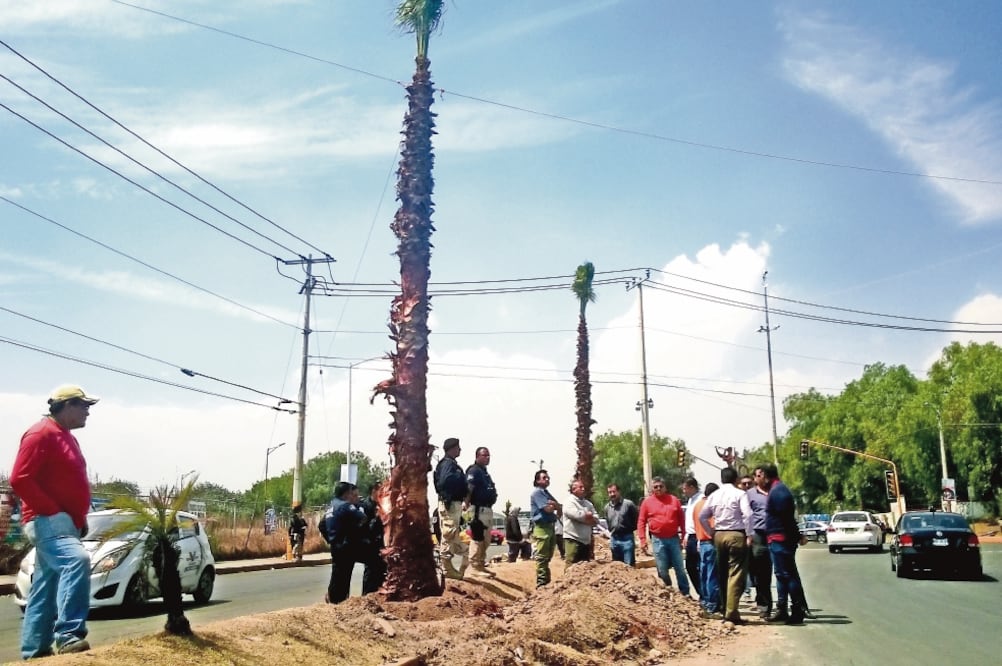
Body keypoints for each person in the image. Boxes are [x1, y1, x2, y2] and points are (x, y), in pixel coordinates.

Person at [11, 384, 99, 658]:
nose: (87, 411)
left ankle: (34, 651)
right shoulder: (41, 433)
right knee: (77, 561)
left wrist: (78, 517)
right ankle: (69, 635)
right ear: (66, 405)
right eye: (84, 405)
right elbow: (20, 478)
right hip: (48, 520)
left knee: (44, 589)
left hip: (65, 522)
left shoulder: (66, 436)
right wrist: (52, 511)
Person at [698, 467, 754, 625]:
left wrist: (711, 532)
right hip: (736, 534)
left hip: (719, 535)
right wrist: (749, 534)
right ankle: (731, 613)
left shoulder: (714, 495)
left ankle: (724, 609)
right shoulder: (740, 494)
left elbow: (703, 516)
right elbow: (748, 514)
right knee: (736, 574)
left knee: (721, 573)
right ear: (736, 479)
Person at [762, 464, 810, 625]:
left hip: (781, 540)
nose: (758, 480)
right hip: (776, 540)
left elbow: (787, 519)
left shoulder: (779, 492)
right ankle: (782, 609)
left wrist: (797, 536)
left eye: (760, 476)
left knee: (788, 575)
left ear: (767, 477)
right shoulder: (775, 491)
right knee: (781, 576)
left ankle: (797, 610)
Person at [638, 476, 690, 596]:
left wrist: (684, 536)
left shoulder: (674, 500)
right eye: (656, 487)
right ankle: (668, 590)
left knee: (680, 568)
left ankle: (685, 593)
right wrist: (642, 540)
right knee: (662, 569)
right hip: (657, 540)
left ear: (665, 487)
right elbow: (641, 521)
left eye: (661, 486)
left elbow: (682, 520)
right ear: (652, 489)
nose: (658, 489)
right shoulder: (647, 503)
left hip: (673, 539)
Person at [321, 481, 364, 604]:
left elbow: (321, 525)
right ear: (346, 493)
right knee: (344, 575)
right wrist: (355, 530)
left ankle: (332, 597)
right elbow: (362, 517)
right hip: (345, 547)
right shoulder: (345, 506)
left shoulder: (331, 507)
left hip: (336, 546)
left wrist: (330, 538)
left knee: (337, 574)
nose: (352, 496)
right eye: (351, 493)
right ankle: (338, 601)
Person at [433, 437, 468, 580]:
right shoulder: (447, 464)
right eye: (458, 447)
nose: (460, 450)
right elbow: (443, 482)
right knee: (448, 535)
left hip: (454, 504)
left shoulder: (451, 464)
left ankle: (457, 571)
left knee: (455, 538)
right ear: (452, 448)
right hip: (450, 504)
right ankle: (446, 569)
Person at [465, 446, 498, 577]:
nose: (487, 458)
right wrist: (466, 504)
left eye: (488, 455)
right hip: (478, 509)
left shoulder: (484, 472)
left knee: (486, 539)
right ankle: (474, 567)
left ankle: (480, 564)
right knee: (478, 537)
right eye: (484, 455)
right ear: (477, 456)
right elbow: (469, 488)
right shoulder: (474, 470)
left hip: (488, 509)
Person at [747, 467, 773, 618]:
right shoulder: (750, 495)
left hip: (775, 535)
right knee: (759, 573)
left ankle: (776, 606)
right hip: (758, 536)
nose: (761, 478)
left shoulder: (774, 492)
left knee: (774, 573)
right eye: (758, 475)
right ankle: (763, 604)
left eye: (764, 475)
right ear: (754, 478)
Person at [529, 469, 561, 587]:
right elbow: (547, 509)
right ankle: (541, 583)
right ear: (537, 480)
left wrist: (553, 504)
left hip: (549, 526)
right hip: (541, 527)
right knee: (542, 557)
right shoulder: (537, 493)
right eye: (544, 478)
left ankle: (546, 582)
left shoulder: (546, 493)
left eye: (548, 478)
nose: (547, 479)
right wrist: (553, 505)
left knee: (548, 555)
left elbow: (557, 505)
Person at [694, 483, 721, 617]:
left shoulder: (697, 505)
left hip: (701, 542)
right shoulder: (709, 506)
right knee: (712, 575)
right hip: (710, 542)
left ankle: (704, 600)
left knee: (704, 574)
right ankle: (712, 603)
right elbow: (713, 525)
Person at [562, 480, 599, 569]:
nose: (583, 489)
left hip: (586, 541)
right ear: (574, 489)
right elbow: (577, 516)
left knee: (584, 567)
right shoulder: (569, 502)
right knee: (571, 566)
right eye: (580, 487)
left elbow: (596, 519)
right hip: (573, 539)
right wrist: (588, 517)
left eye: (583, 487)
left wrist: (588, 518)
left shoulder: (588, 503)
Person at [358, 481, 387, 594]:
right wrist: (378, 517)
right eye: (381, 491)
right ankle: (367, 597)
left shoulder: (381, 505)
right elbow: (365, 527)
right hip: (370, 545)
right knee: (370, 573)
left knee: (381, 572)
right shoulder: (365, 506)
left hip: (381, 545)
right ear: (374, 491)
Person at [604, 483, 639, 566]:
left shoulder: (628, 504)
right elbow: (608, 522)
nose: (612, 494)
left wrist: (629, 529)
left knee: (629, 566)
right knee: (617, 568)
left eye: (614, 491)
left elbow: (636, 519)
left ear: (619, 492)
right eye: (610, 492)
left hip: (627, 539)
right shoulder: (607, 508)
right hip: (614, 540)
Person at [681, 478, 702, 595]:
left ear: (692, 487)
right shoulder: (691, 500)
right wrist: (686, 536)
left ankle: (706, 595)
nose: (684, 491)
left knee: (700, 567)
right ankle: (701, 592)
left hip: (698, 537)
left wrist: (699, 539)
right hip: (691, 537)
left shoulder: (700, 499)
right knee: (690, 566)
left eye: (685, 488)